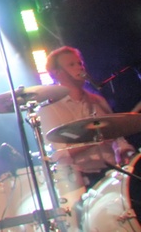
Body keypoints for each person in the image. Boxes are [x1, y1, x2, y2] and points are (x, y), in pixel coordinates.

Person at [37, 46, 135, 187]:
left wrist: (125, 150)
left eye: (80, 63)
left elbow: (118, 138)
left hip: (113, 175)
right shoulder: (49, 109)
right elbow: (58, 153)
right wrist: (93, 140)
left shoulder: (98, 101)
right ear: (57, 73)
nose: (79, 68)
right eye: (71, 65)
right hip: (80, 179)